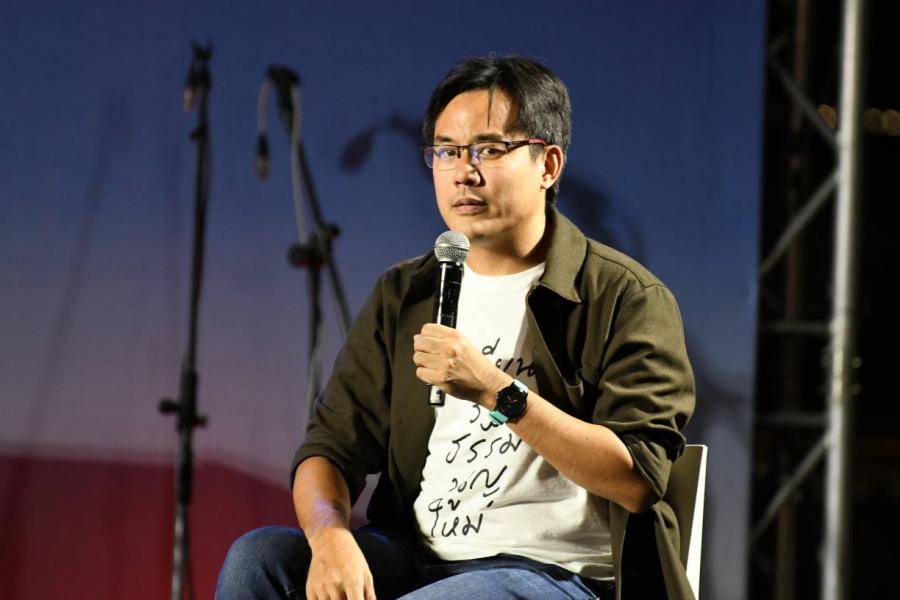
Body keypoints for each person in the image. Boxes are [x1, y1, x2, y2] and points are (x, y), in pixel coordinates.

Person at [216, 55, 695, 600]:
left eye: (489, 150)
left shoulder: (625, 297)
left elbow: (636, 479)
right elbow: (330, 447)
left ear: (548, 165)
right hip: (417, 556)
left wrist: (495, 390)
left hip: (559, 574)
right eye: (446, 151)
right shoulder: (408, 292)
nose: (463, 172)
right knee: (260, 560)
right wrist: (330, 538)